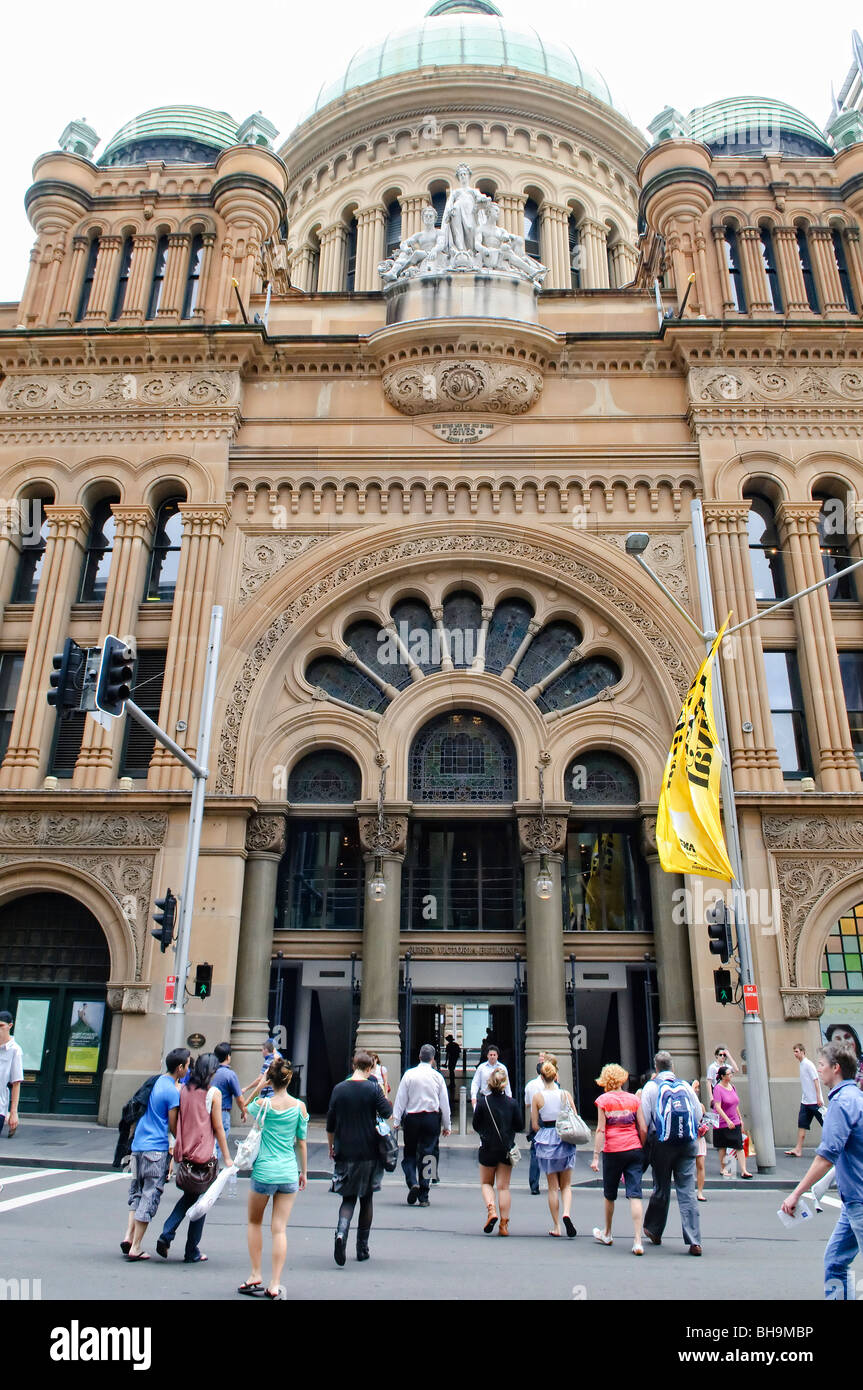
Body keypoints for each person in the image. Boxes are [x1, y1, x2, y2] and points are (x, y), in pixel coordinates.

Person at [781, 1042, 863, 1299]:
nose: (818, 1070)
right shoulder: (857, 1098)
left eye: (821, 1065)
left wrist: (796, 1194)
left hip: (859, 1200)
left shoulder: (841, 1103)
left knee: (836, 1263)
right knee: (835, 1261)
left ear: (835, 1068)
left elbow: (826, 1157)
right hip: (853, 1202)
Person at [239, 1056, 308, 1300]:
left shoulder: (263, 1105)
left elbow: (244, 1108)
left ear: (271, 1079)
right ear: (290, 1079)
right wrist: (303, 1172)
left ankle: (255, 1273)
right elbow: (301, 1143)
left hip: (264, 1171)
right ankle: (275, 1284)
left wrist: (259, 1087)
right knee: (279, 1230)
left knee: (254, 1222)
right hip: (288, 1171)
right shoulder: (299, 1107)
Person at [156, 1052, 233, 1264]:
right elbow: (218, 1127)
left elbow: (177, 1119)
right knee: (202, 1202)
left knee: (191, 1196)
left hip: (186, 1151)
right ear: (211, 1072)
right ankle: (191, 1250)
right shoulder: (213, 1093)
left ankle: (168, 1234)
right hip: (205, 1153)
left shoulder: (183, 1090)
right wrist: (227, 1158)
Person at [121, 1047, 189, 1261]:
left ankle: (129, 1236)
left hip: (138, 1146)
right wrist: (180, 1144)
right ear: (180, 1068)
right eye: (187, 1065)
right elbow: (172, 1124)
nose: (188, 1069)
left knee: (137, 1192)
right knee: (150, 1195)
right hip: (156, 1148)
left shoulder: (156, 1081)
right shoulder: (171, 1091)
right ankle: (137, 1247)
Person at [326, 1050, 393, 1265]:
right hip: (368, 1151)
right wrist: (381, 1092)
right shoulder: (372, 1089)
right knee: (366, 1198)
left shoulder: (339, 1089)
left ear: (353, 1065)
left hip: (345, 1150)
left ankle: (340, 1232)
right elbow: (387, 1113)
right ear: (370, 1068)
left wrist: (331, 1146)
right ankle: (362, 1247)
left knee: (348, 1198)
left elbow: (330, 1123)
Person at [639, 1050, 704, 1255]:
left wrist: (645, 1146)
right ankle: (694, 1241)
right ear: (672, 1067)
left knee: (662, 1186)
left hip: (662, 1144)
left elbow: (645, 1120)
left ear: (656, 1068)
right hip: (687, 1142)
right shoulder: (685, 1085)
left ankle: (654, 1230)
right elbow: (698, 1113)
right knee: (687, 1190)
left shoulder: (651, 1087)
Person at [590, 1063, 647, 1253]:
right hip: (634, 1148)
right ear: (623, 1079)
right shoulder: (634, 1100)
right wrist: (641, 1145)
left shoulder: (603, 1100)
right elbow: (643, 1127)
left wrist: (596, 1156)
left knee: (610, 1194)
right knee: (635, 1194)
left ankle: (607, 1233)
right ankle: (638, 1240)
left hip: (613, 1150)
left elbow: (600, 1130)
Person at [392, 1042, 451, 1206]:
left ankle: (413, 1182)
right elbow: (444, 1103)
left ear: (419, 1057)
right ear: (432, 1059)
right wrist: (447, 1125)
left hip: (412, 1118)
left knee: (410, 1152)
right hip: (431, 1118)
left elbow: (401, 1099)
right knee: (429, 1154)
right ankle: (424, 1194)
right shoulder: (437, 1076)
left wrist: (396, 1120)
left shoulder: (409, 1074)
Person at [472, 1066, 523, 1236]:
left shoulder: (483, 1102)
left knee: (486, 1183)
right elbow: (519, 1125)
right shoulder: (512, 1103)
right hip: (506, 1148)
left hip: (487, 1147)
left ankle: (491, 1209)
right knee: (503, 1187)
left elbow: (476, 1125)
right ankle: (504, 1224)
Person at [531, 1058, 578, 1238]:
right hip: (564, 1136)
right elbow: (574, 1115)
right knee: (566, 1185)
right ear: (556, 1075)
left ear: (542, 1077)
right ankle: (567, 1213)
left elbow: (535, 1124)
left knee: (552, 1187)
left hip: (547, 1137)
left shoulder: (538, 1097)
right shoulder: (565, 1094)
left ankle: (557, 1225)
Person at [711, 1064, 754, 1179]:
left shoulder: (732, 1087)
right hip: (722, 1123)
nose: (731, 1076)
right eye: (729, 1074)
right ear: (722, 1076)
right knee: (722, 1146)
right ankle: (723, 1168)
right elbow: (718, 1107)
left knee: (738, 1145)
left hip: (734, 1121)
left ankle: (744, 1170)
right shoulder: (718, 1089)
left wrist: (740, 1118)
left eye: (731, 1074)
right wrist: (727, 1120)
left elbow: (736, 1104)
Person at [786, 1043, 826, 1158]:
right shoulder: (801, 1064)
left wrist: (819, 1097)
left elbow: (816, 1080)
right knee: (802, 1124)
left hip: (815, 1102)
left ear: (803, 1052)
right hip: (805, 1102)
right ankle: (798, 1149)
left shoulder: (808, 1064)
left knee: (826, 1124)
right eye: (794, 1051)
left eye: (797, 1051)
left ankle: (831, 1147)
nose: (795, 1054)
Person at [524, 1050, 550, 1196]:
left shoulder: (531, 1085)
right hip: (550, 1120)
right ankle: (555, 1182)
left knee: (535, 1152)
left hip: (536, 1117)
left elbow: (527, 1104)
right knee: (553, 1150)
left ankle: (534, 1184)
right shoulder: (554, 1086)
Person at [212, 1041, 248, 1144]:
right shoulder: (230, 1075)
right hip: (222, 1112)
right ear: (228, 1057)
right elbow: (239, 1098)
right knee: (219, 1144)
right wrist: (243, 1111)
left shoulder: (210, 1072)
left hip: (207, 1111)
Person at [0, 1010, 23, 1138]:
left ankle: (7, 1115)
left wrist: (14, 1112)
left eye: (1, 1026)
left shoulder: (15, 1050)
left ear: (10, 1026)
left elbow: (16, 1082)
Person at [243, 1036, 282, 1103]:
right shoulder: (279, 1061)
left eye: (262, 1049)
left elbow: (260, 1079)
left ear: (266, 1050)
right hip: (278, 1094)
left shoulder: (268, 1062)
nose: (261, 1051)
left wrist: (246, 1088)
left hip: (268, 1095)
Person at [692, 1079, 708, 1201]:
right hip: (689, 1138)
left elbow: (706, 1121)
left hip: (699, 1138)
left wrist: (704, 1128)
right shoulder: (685, 1102)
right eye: (695, 1087)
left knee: (700, 1164)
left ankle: (700, 1191)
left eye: (698, 1088)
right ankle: (689, 1190)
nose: (697, 1090)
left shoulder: (701, 1105)